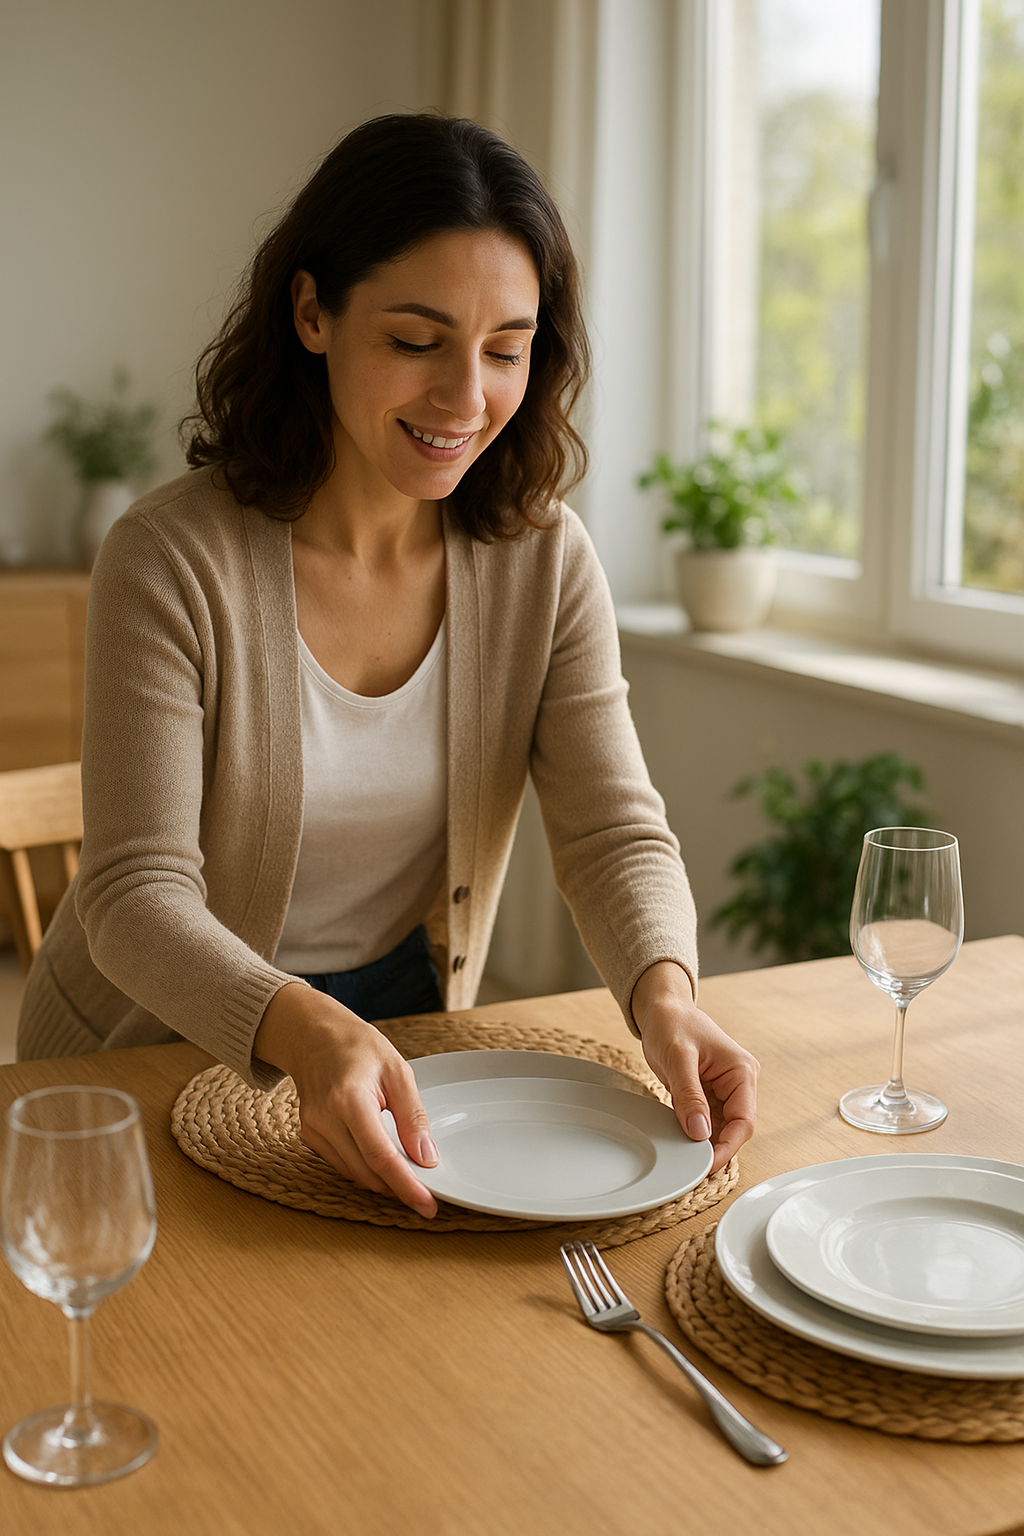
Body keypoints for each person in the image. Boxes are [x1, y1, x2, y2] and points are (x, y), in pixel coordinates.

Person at [18, 113, 758, 1217]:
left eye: (505, 350)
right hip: (147, 1043)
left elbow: (611, 830)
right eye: (416, 342)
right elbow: (134, 896)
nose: (466, 399)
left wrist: (666, 995)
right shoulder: (169, 558)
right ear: (313, 313)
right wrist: (302, 1024)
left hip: (407, 1021)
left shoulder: (544, 559)